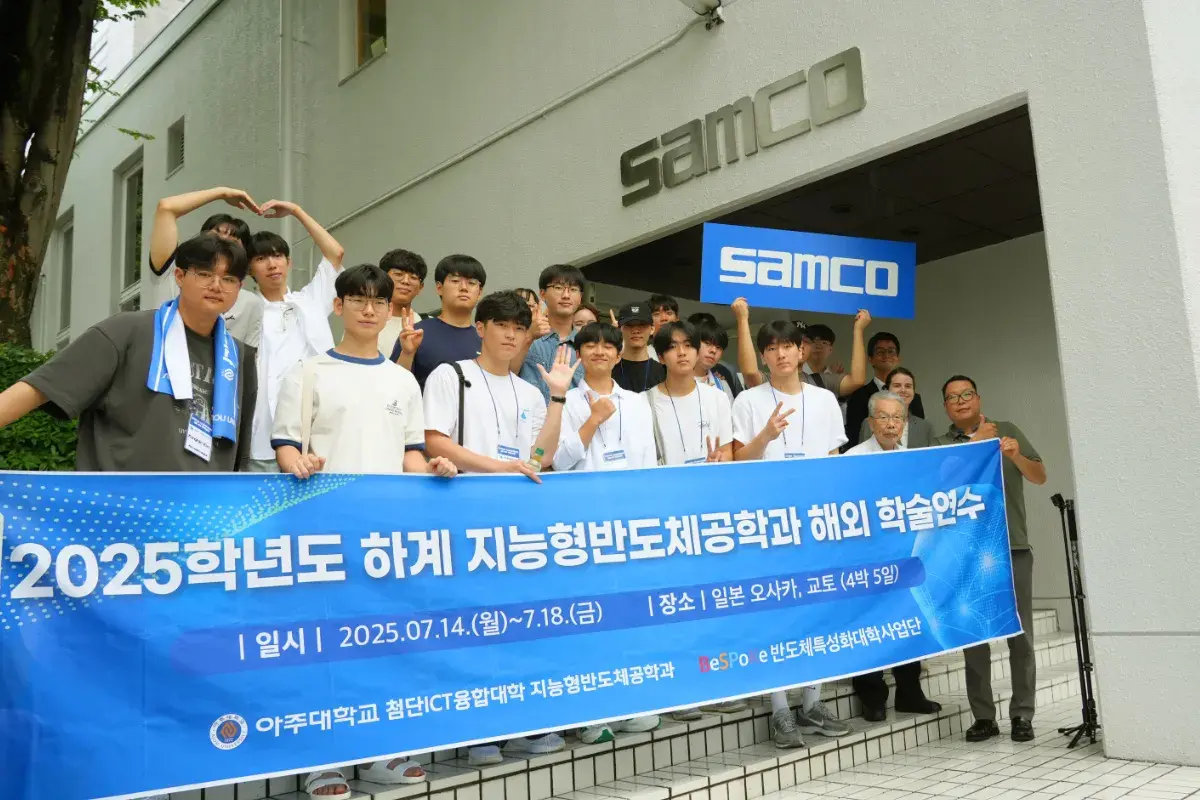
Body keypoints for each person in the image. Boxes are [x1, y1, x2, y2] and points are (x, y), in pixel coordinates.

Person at [271, 263, 457, 795]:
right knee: (326, 646)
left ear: (391, 312)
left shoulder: (402, 379)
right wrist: (295, 462)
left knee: (385, 643)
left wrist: (435, 471)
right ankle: (322, 763)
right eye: (358, 300)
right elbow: (284, 444)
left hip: (387, 539)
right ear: (339, 307)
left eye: (379, 302)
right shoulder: (307, 372)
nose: (369, 309)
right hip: (323, 536)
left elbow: (411, 454)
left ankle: (384, 753)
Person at [422, 290, 578, 764]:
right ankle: (473, 730)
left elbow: (541, 457)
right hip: (461, 514)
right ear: (481, 328)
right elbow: (434, 441)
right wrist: (496, 468)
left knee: (514, 622)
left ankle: (517, 722)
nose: (511, 334)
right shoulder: (452, 376)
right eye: (502, 325)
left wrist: (557, 395)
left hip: (516, 523)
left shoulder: (530, 389)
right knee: (468, 621)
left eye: (519, 328)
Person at [0, 232, 257, 472]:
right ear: (179, 276)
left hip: (201, 512)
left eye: (228, 279)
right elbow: (36, 389)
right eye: (204, 274)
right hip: (121, 508)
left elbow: (237, 457)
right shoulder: (126, 331)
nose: (216, 285)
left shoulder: (238, 357)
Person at [730, 319, 853, 748]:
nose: (780, 354)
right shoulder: (747, 400)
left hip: (816, 522)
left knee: (816, 611)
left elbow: (834, 458)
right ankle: (780, 710)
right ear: (762, 356)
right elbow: (738, 461)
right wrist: (766, 434)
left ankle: (813, 702)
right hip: (767, 524)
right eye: (772, 348)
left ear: (801, 353)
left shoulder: (824, 399)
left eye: (788, 346)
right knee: (774, 615)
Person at [549, 320, 662, 741]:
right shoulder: (564, 399)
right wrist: (593, 420)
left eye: (607, 345)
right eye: (590, 345)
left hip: (630, 524)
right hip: (582, 524)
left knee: (626, 616)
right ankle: (589, 713)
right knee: (588, 618)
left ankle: (626, 702)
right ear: (579, 354)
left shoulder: (636, 403)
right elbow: (556, 461)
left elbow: (647, 465)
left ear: (619, 354)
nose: (599, 351)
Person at [935, 376, 1046, 744]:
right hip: (967, 553)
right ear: (946, 407)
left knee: (1020, 636)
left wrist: (1014, 455)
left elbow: (1040, 476)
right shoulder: (939, 444)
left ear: (979, 398)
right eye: (953, 397)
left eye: (967, 394)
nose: (961, 401)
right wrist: (976, 446)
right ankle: (984, 716)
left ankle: (1022, 715)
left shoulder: (1008, 430)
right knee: (974, 634)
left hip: (1012, 546)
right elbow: (942, 488)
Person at [845, 391, 942, 721]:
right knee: (870, 623)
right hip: (867, 558)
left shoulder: (912, 460)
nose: (890, 424)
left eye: (897, 418)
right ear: (871, 422)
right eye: (883, 417)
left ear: (905, 422)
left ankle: (910, 692)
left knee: (908, 621)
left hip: (905, 556)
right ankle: (872, 696)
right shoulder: (854, 459)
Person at [239, 202, 345, 473]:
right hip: (261, 436)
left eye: (278, 256)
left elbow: (335, 253)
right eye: (261, 258)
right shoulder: (246, 309)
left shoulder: (311, 300)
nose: (272, 264)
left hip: (316, 430)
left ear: (289, 262)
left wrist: (297, 211)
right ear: (250, 268)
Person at [148, 186, 263, 341]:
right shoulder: (172, 272)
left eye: (233, 241)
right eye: (216, 235)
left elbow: (248, 358)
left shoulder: (251, 304)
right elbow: (166, 208)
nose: (223, 243)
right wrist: (222, 193)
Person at [732, 298, 870, 399]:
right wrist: (742, 319)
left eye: (806, 341)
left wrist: (858, 330)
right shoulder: (769, 379)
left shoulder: (821, 381)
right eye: (789, 343)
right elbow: (750, 372)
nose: (801, 345)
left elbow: (857, 380)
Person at [392, 254, 486, 388]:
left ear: (480, 292)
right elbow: (395, 386)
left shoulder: (485, 340)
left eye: (471, 283)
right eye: (455, 281)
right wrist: (407, 354)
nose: (464, 288)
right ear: (439, 288)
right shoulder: (416, 333)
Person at [647, 321, 733, 466]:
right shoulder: (645, 402)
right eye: (672, 347)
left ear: (697, 353)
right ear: (661, 357)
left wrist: (719, 459)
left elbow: (726, 452)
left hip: (707, 483)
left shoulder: (718, 398)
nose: (681, 352)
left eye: (688, 345)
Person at [515, 265, 587, 402]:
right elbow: (506, 374)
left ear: (580, 297)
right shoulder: (522, 335)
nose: (566, 295)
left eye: (573, 289)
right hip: (529, 420)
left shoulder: (587, 343)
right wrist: (529, 337)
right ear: (542, 294)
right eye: (558, 288)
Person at [844, 332, 926, 449]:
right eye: (880, 352)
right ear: (870, 359)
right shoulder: (858, 395)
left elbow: (919, 433)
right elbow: (853, 437)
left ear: (898, 358)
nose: (886, 355)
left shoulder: (913, 397)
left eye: (891, 351)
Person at [855, 367, 934, 448]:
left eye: (908, 386)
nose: (903, 390)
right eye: (897, 385)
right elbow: (864, 456)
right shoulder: (870, 422)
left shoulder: (925, 426)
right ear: (887, 389)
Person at [376, 249, 427, 358]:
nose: (405, 281)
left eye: (413, 277)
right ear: (383, 280)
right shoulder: (366, 322)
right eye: (398, 274)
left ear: (420, 287)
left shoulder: (428, 324)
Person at [612, 302, 666, 392]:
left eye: (642, 324)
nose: (636, 330)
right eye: (629, 325)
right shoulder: (608, 369)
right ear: (620, 329)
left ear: (652, 329)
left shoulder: (664, 372)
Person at [690, 317, 742, 404]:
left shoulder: (722, 385)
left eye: (718, 347)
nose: (713, 350)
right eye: (707, 343)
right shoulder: (676, 381)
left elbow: (730, 417)